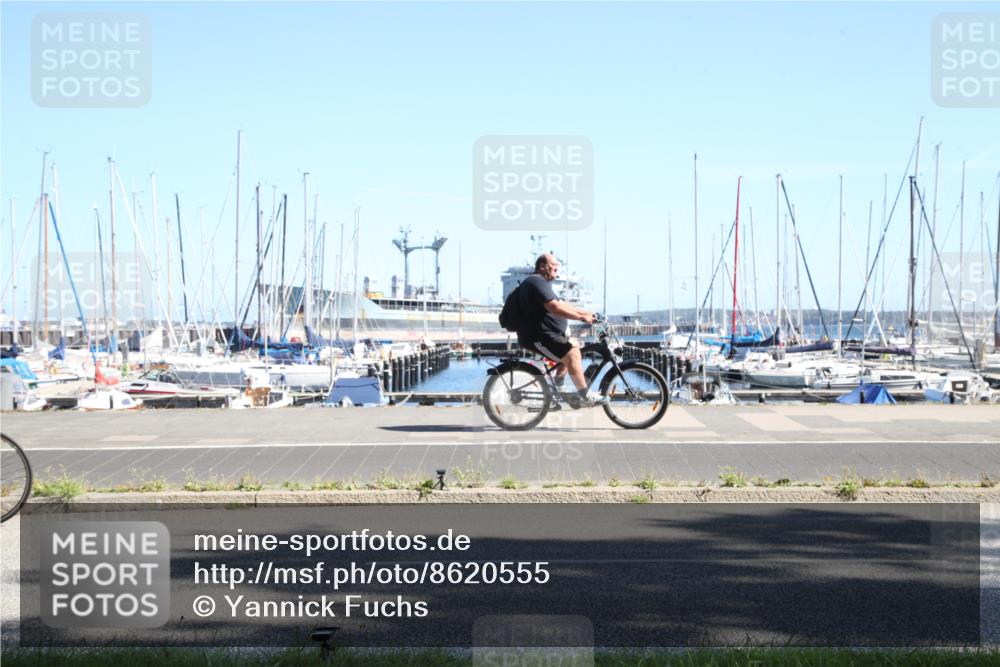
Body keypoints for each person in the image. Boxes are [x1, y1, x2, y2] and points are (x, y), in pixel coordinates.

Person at [516, 253, 609, 407]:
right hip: (537, 337)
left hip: (546, 335)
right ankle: (586, 396)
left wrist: (589, 314)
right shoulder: (536, 281)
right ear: (542, 266)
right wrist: (581, 318)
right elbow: (555, 307)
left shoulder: (541, 284)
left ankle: (558, 384)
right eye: (553, 266)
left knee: (573, 345)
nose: (557, 269)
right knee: (572, 354)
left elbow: (563, 305)